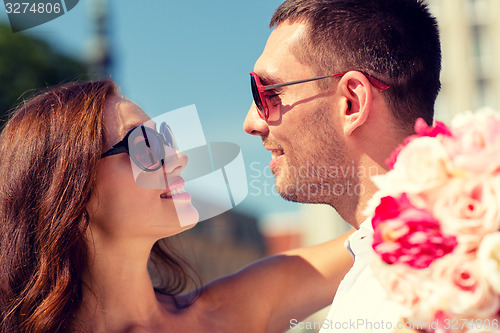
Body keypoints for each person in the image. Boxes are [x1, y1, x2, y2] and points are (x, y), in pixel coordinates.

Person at [0, 80, 354, 333]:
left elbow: (386, 234)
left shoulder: (235, 310)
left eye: (165, 138)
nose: (180, 158)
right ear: (68, 190)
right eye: (145, 145)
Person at [243, 0, 441, 331]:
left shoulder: (451, 277)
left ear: (351, 102)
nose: (252, 122)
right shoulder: (373, 266)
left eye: (267, 93)